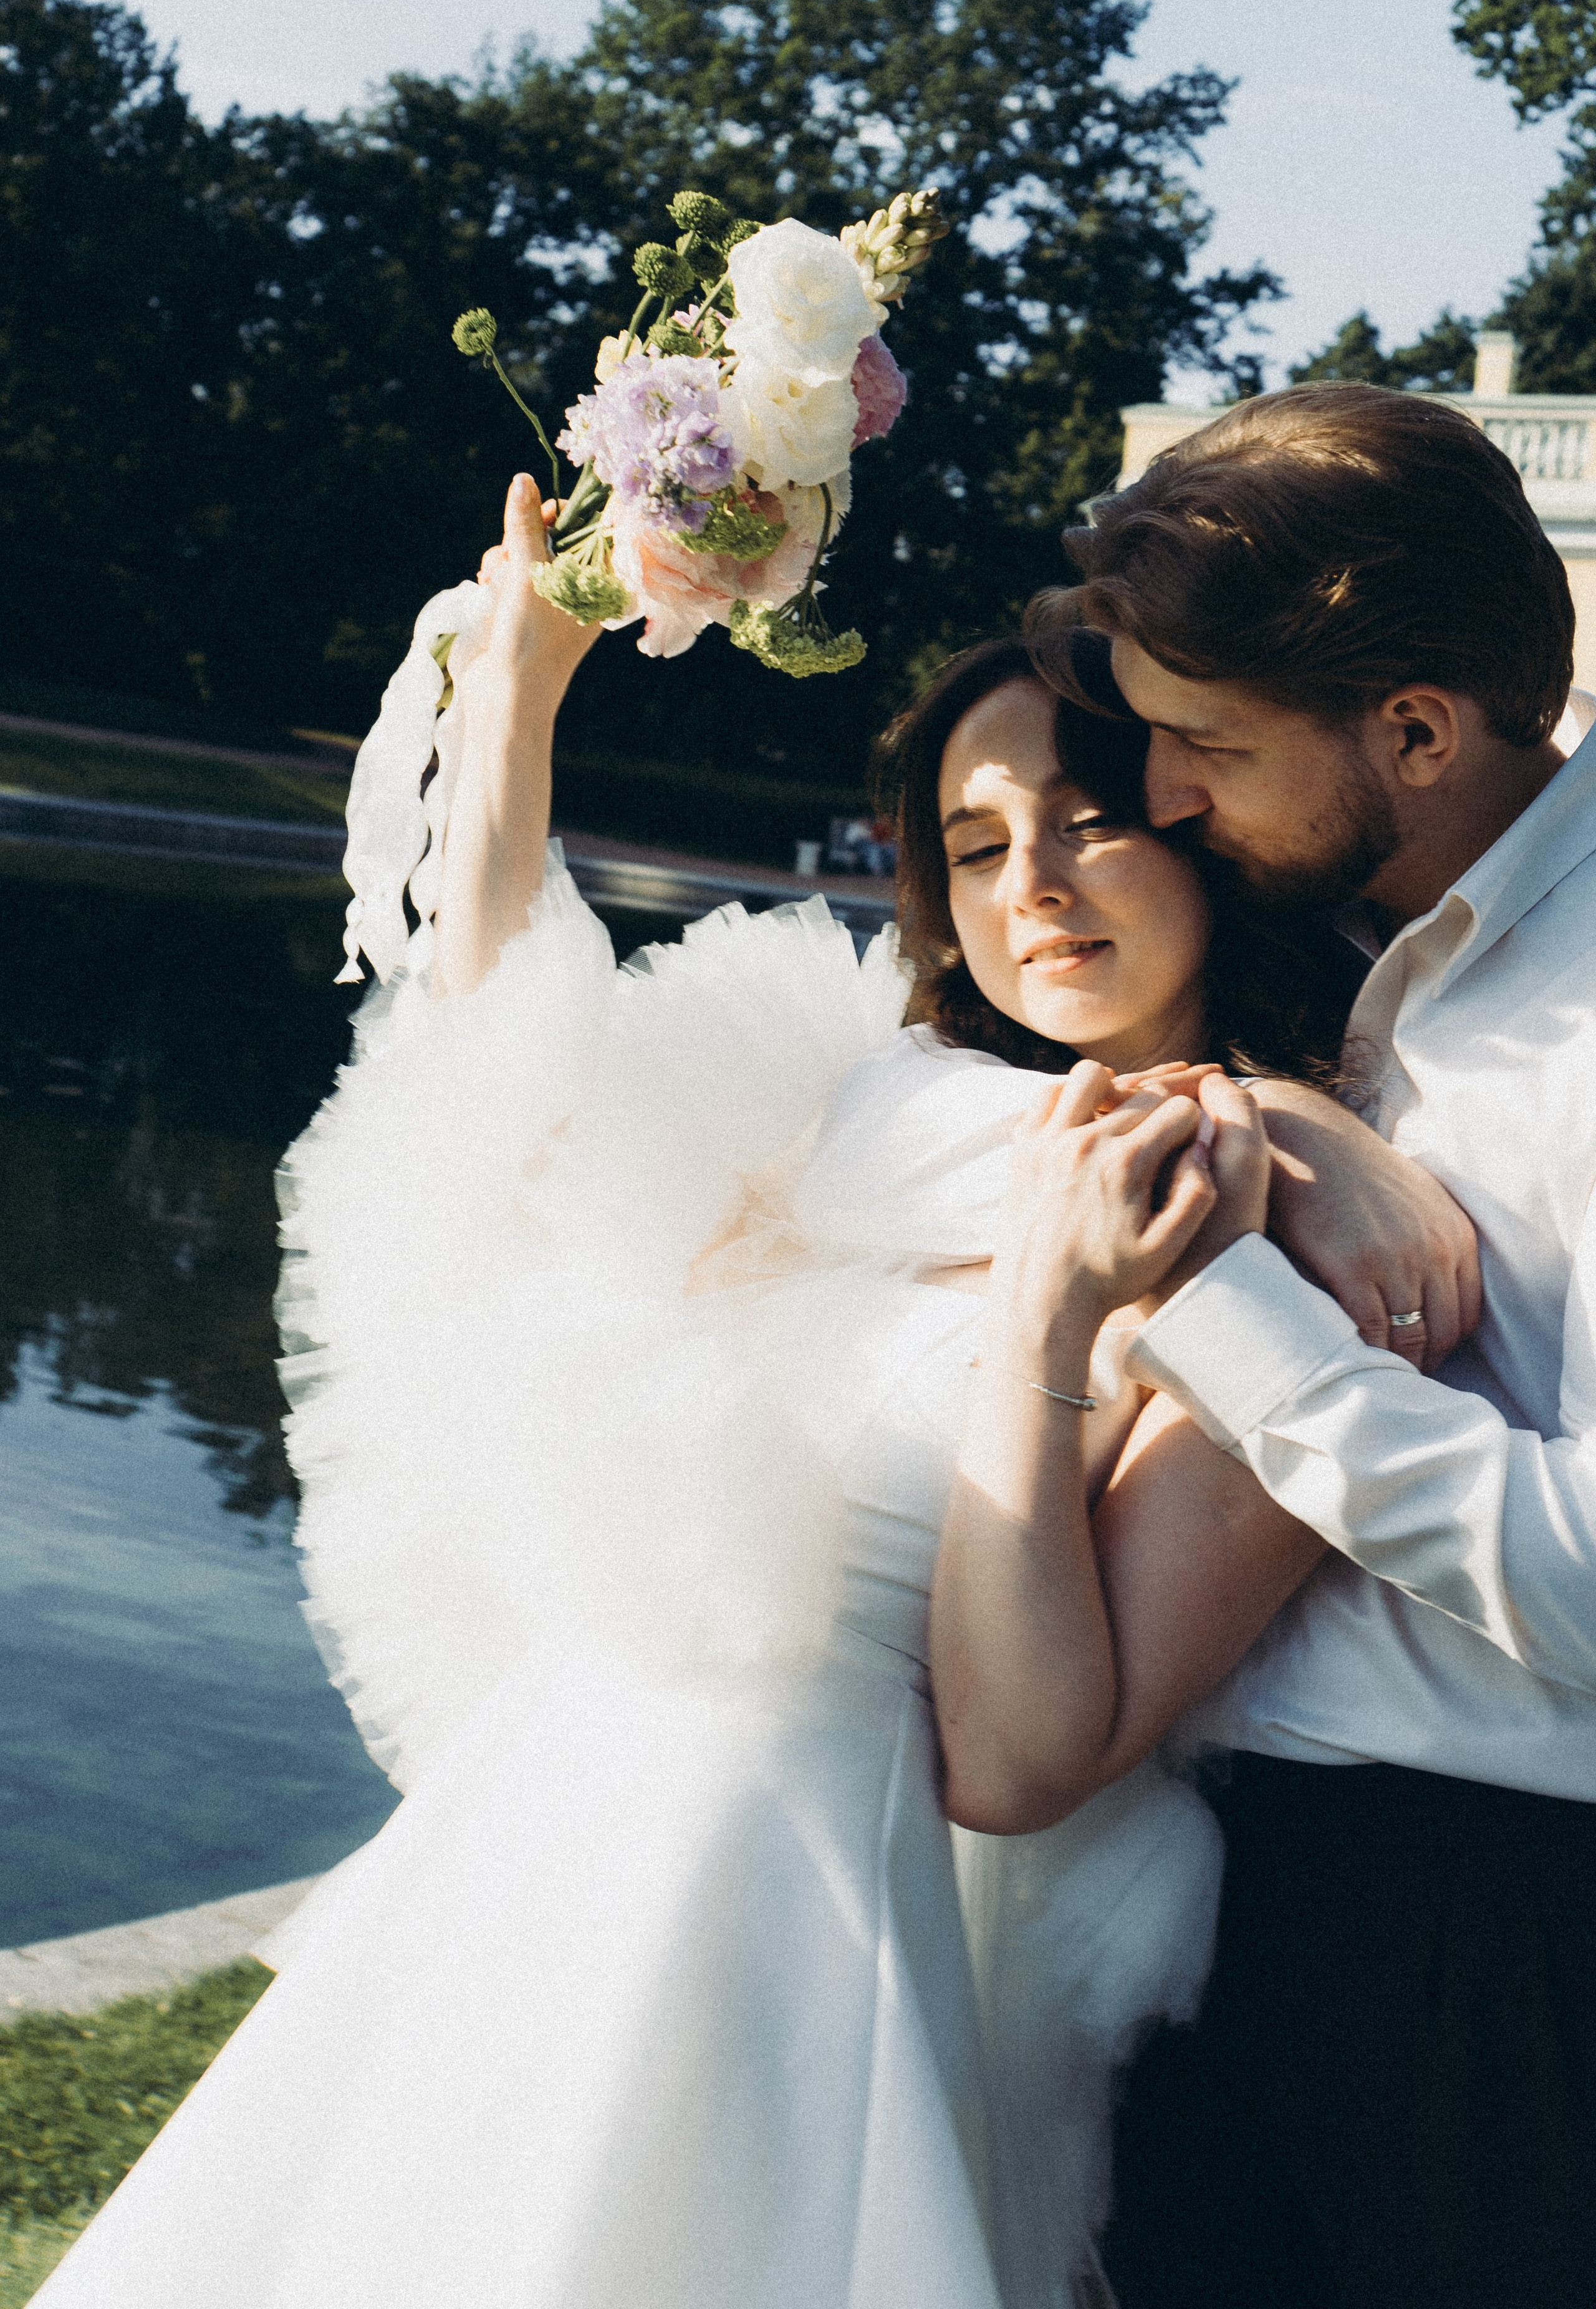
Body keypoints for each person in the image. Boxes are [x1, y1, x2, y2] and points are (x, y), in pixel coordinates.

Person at [32, 475, 1461, 2309]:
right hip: (550, 1807)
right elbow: (499, 1077)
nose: (1029, 884)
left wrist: (1204, 1187)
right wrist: (527, 683)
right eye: (970, 841)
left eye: (1091, 821)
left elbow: (1027, 1748)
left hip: (782, 1884)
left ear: (1200, 833)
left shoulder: (1259, 1267)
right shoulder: (859, 1102)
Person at [1010, 380, 1596, 2309]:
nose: (1166, 797)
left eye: (1207, 747)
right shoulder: (1403, 948)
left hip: (1481, 1965)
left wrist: (1226, 1320)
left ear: (1417, 729)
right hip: (1261, 1914)